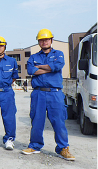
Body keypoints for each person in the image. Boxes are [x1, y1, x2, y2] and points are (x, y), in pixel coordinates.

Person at [22, 29, 75, 161]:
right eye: (41, 40)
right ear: (38, 42)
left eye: (46, 39)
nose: (44, 42)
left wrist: (39, 68)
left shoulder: (59, 54)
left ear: (51, 40)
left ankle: (63, 148)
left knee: (59, 122)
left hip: (55, 93)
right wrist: (49, 67)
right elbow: (30, 70)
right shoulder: (34, 57)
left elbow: (57, 66)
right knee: (37, 121)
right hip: (38, 93)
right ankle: (35, 146)